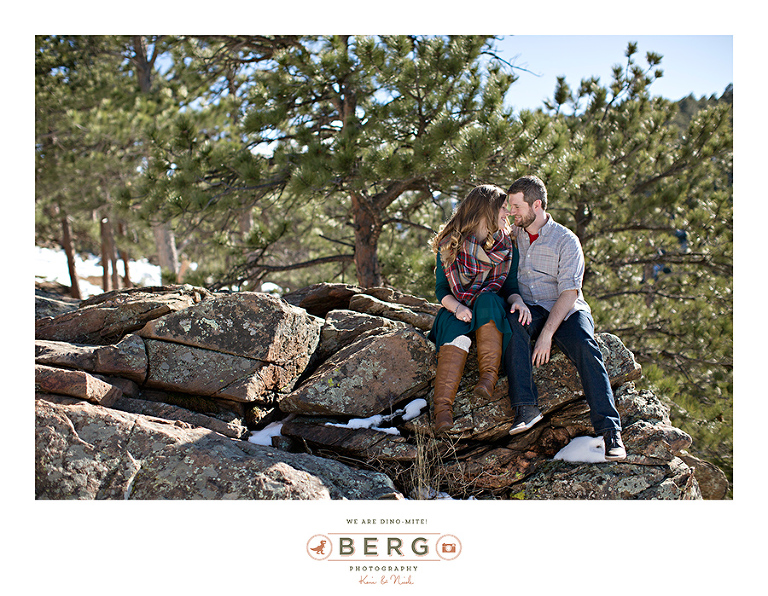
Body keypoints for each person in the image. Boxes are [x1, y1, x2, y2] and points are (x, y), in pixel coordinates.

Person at [503, 175, 626, 461]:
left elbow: (570, 292)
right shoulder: (513, 235)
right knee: (512, 325)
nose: (512, 212)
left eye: (517, 206)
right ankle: (526, 408)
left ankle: (610, 431)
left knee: (586, 346)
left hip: (566, 308)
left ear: (537, 205)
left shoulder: (566, 240)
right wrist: (517, 300)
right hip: (530, 306)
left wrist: (546, 335)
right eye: (510, 206)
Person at [427, 184, 529, 434]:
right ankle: (442, 411)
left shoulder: (507, 246)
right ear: (486, 210)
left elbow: (510, 286)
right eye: (503, 209)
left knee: (487, 299)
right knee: (454, 326)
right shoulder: (450, 244)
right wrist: (457, 307)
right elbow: (442, 290)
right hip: (458, 306)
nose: (507, 214)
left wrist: (517, 300)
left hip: (487, 309)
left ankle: (488, 379)